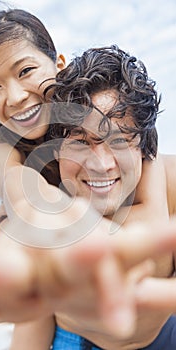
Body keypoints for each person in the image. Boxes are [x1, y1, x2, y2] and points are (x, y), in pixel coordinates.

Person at [0, 8, 175, 349]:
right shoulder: (3, 153)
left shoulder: (107, 116)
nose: (16, 95)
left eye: (25, 71)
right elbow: (24, 197)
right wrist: (48, 226)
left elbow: (153, 207)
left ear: (60, 66)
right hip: (70, 304)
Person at [47, 45, 176, 349]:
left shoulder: (170, 188)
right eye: (80, 141)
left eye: (118, 140)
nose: (101, 165)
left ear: (144, 148)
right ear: (54, 149)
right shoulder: (42, 206)